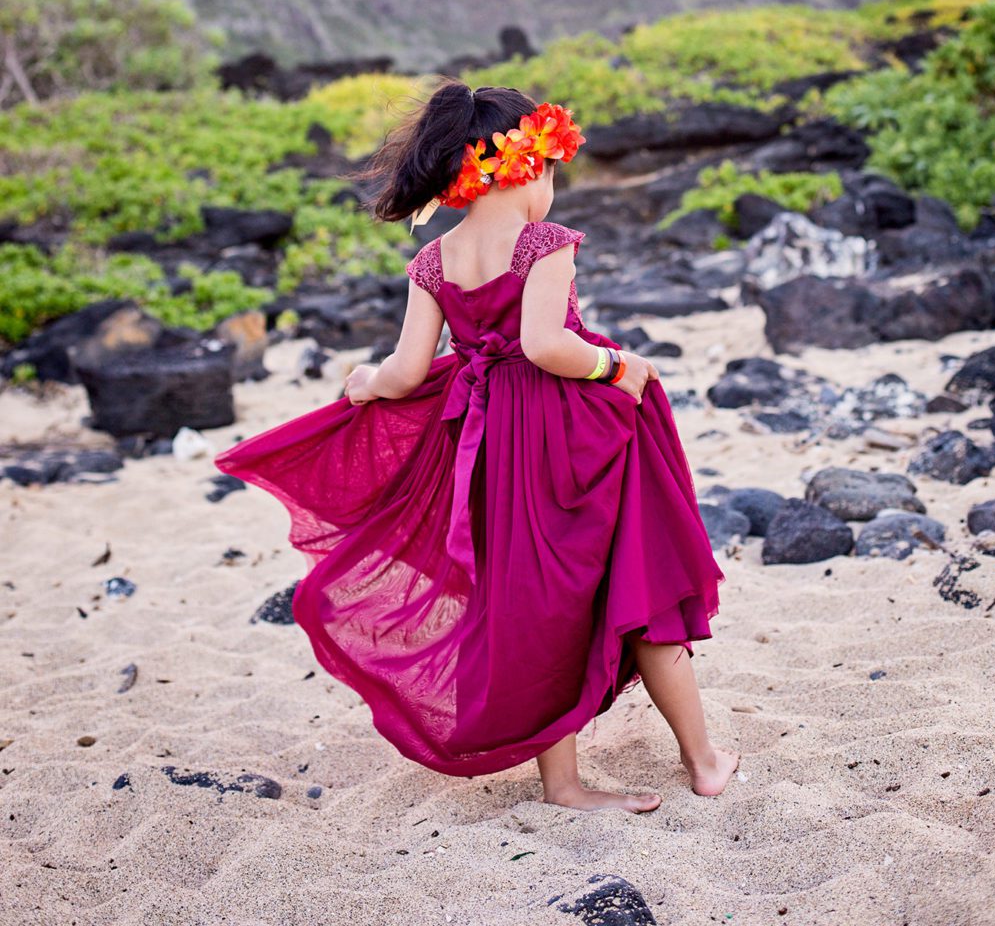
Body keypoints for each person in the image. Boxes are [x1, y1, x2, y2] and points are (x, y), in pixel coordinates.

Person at [214, 80, 739, 811]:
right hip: (573, 440)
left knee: (537, 608)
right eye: (553, 170)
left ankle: (564, 784)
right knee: (639, 589)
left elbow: (403, 372)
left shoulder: (435, 259)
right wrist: (620, 367)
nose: (552, 189)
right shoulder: (543, 242)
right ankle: (705, 761)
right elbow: (545, 345)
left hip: (490, 450)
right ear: (528, 166)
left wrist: (365, 380)